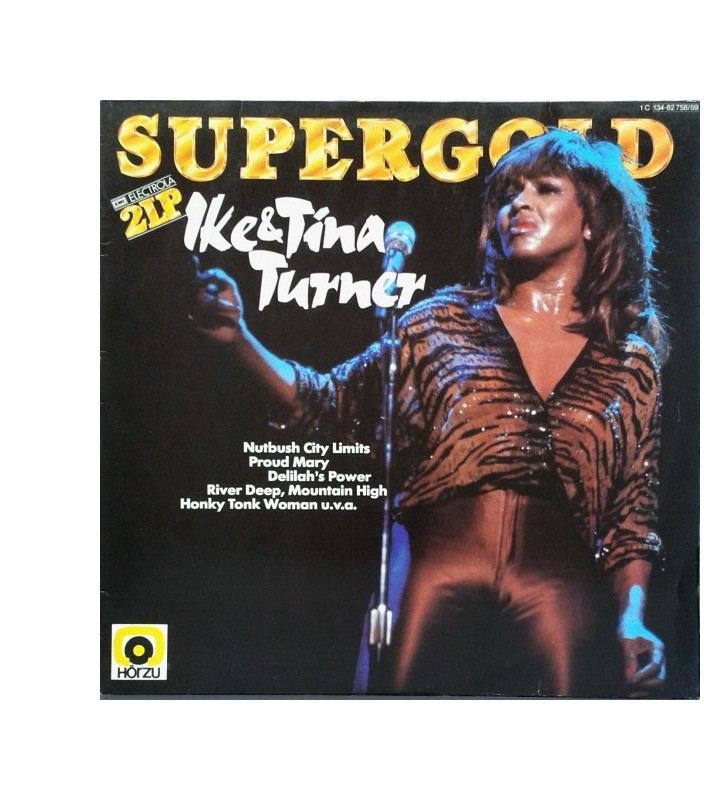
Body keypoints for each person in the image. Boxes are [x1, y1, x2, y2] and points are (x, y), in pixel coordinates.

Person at [187, 129, 668, 697]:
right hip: (434, 566)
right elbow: (331, 399)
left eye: (545, 189)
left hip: (559, 586)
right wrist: (239, 338)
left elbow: (631, 517)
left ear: (593, 218)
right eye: (509, 193)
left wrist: (632, 618)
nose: (519, 203)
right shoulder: (440, 323)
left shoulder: (628, 363)